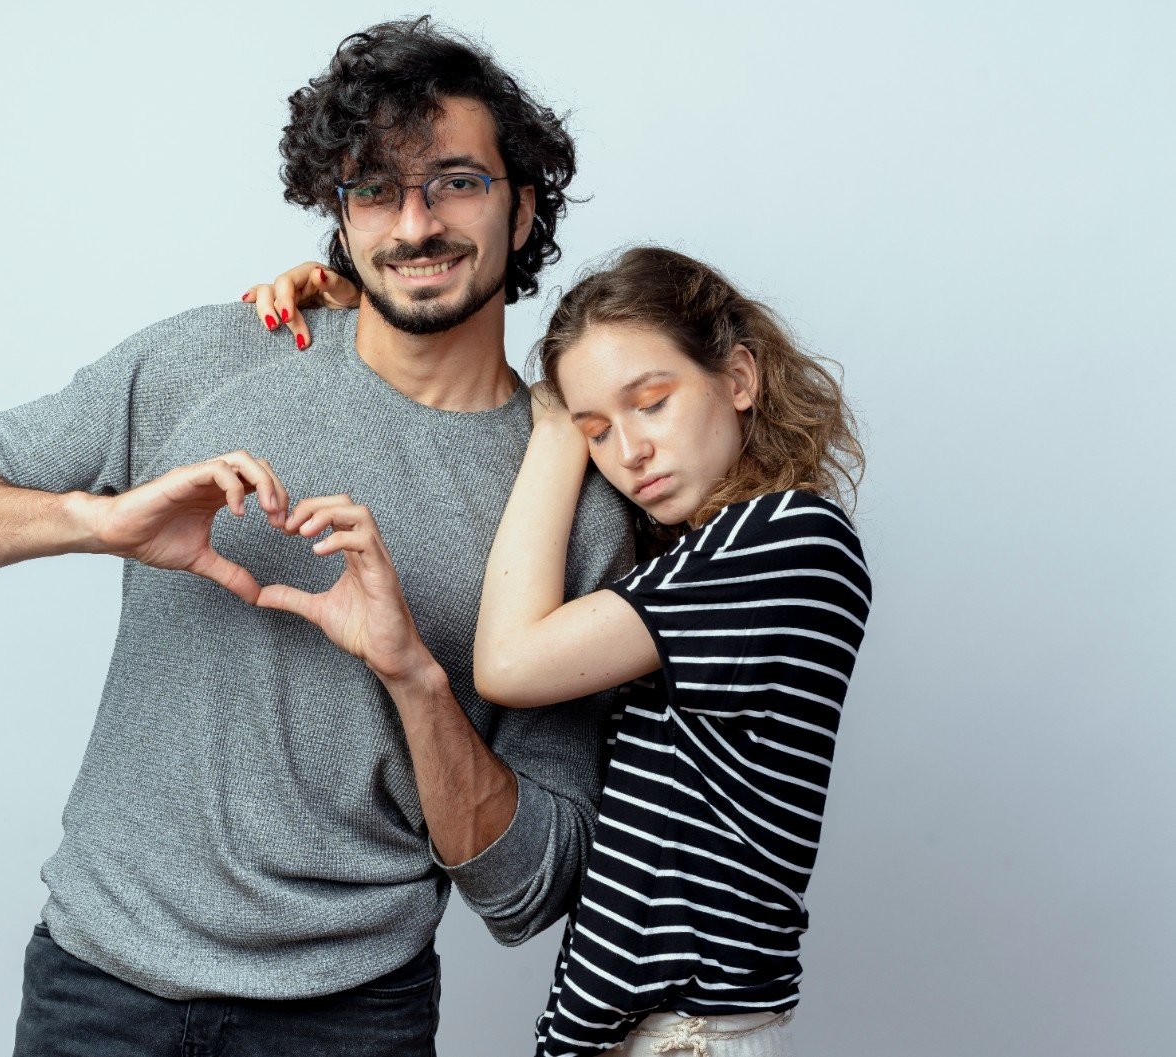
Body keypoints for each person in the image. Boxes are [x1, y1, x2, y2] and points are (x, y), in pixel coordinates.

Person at [0, 17, 636, 1057]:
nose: (416, 223)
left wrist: (414, 676)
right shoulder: (212, 357)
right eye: (374, 189)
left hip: (350, 1017)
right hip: (99, 988)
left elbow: (531, 884)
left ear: (523, 204)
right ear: (340, 215)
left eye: (456, 181)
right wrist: (95, 521)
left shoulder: (571, 500)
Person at [251, 245, 869, 1056]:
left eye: (652, 402)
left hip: (686, 1035)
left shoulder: (786, 539)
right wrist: (371, 325)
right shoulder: (701, 558)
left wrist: (553, 427)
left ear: (741, 378)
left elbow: (508, 661)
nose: (630, 451)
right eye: (598, 431)